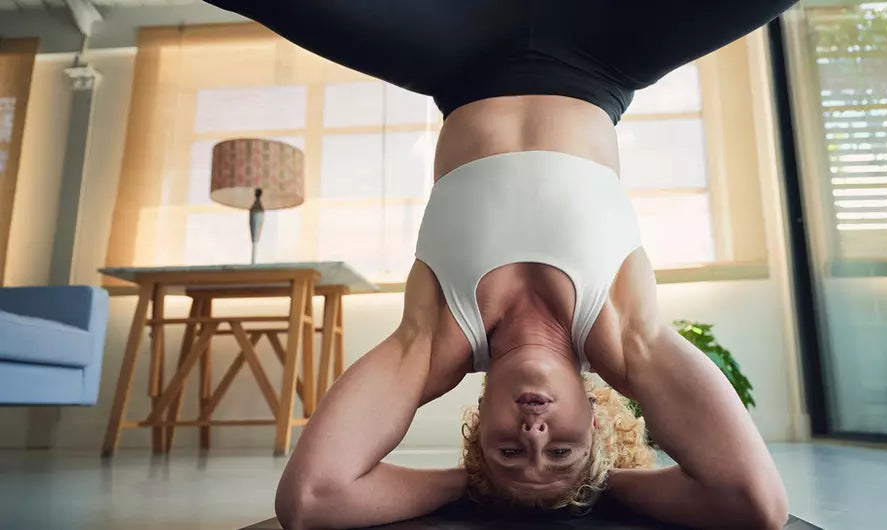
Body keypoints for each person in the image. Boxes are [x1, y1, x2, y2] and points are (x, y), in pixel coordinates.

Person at [204, 1, 796, 529]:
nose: (534, 433)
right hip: (603, 57)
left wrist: (482, 484)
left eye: (509, 452)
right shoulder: (626, 339)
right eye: (561, 452)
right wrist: (589, 482)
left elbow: (309, 502)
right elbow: (752, 504)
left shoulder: (435, 344)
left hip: (459, 58)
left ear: (479, 422)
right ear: (593, 422)